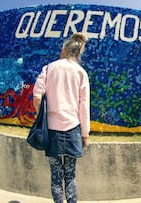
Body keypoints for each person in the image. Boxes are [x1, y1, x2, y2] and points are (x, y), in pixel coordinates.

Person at [33, 33, 90, 203]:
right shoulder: (81, 72)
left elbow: (36, 97)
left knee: (56, 175)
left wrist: (41, 118)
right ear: (78, 52)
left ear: (64, 50)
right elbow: (84, 106)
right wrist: (85, 135)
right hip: (73, 130)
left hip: (52, 130)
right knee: (70, 175)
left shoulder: (49, 68)